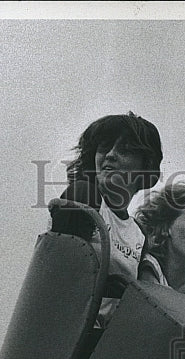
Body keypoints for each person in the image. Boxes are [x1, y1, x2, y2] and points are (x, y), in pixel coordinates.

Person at [50, 112, 163, 326]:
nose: (110, 155)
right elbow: (60, 275)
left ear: (145, 165)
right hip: (65, 332)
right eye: (104, 148)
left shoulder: (138, 235)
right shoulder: (83, 194)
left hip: (104, 342)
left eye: (125, 150)